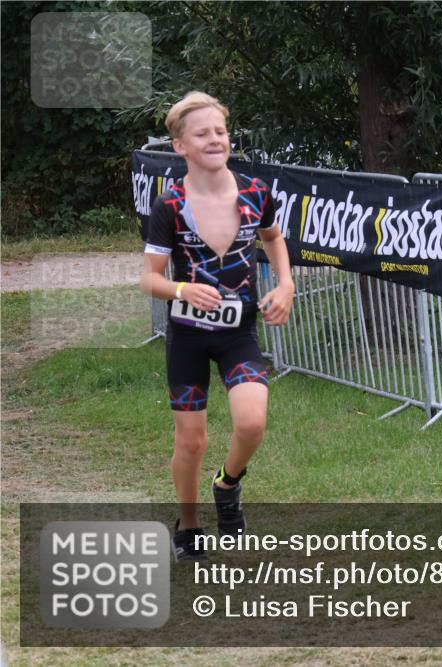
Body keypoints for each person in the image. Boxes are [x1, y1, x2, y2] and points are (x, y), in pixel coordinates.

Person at [140, 91, 294, 561]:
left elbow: (273, 237)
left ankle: (227, 486)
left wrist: (286, 284)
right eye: (202, 133)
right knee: (192, 441)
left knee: (252, 422)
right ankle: (188, 524)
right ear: (180, 146)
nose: (214, 140)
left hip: (237, 332)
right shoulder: (170, 205)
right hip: (187, 336)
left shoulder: (254, 192)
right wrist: (182, 290)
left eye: (220, 131)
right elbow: (149, 279)